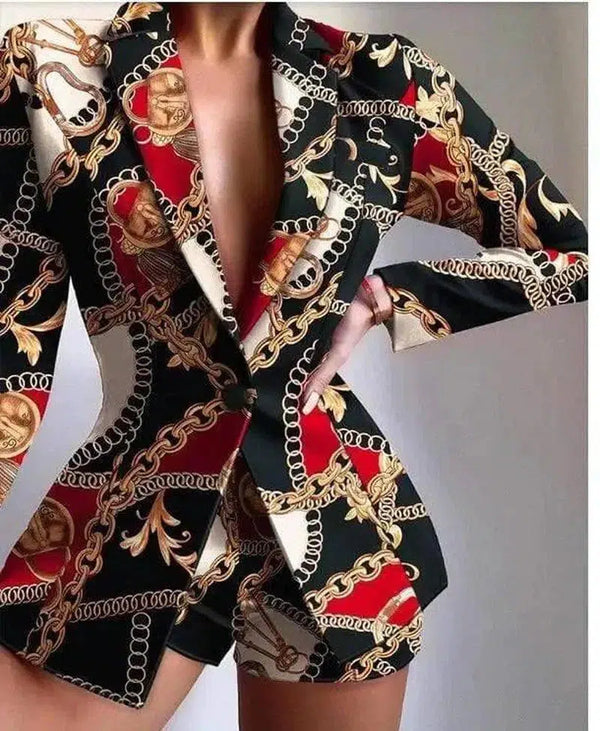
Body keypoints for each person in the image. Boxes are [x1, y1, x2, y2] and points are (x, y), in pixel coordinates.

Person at [0, 2, 587, 730]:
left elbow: (570, 253)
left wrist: (387, 299)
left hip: (336, 525)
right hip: (139, 514)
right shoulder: (53, 72)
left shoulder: (385, 80)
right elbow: (12, 342)